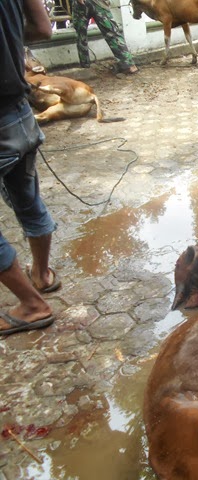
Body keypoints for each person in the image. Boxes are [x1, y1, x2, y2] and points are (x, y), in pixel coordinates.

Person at [0, 0, 61, 336]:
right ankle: (42, 275)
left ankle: (32, 304)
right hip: (19, 112)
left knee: (27, 200)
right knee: (28, 199)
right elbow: (42, 28)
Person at [71, 0, 138, 74]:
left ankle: (85, 66)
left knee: (81, 35)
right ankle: (128, 64)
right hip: (92, 4)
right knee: (111, 32)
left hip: (94, 3)